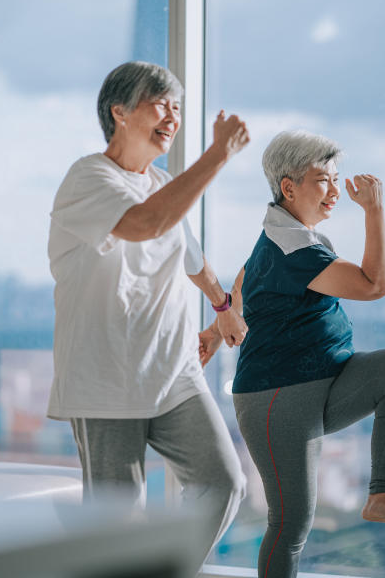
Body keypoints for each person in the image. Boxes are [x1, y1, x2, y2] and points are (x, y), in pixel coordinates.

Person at [199, 130, 385, 578]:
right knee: (290, 524)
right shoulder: (294, 248)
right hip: (277, 399)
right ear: (289, 188)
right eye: (323, 180)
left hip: (323, 381)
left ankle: (381, 494)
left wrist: (216, 327)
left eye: (336, 179)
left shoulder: (285, 234)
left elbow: (249, 274)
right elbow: (373, 284)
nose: (334, 191)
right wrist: (375, 210)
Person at [47, 61, 250, 568]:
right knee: (116, 528)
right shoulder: (87, 177)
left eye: (178, 107)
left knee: (224, 484)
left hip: (173, 373)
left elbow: (193, 258)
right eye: (161, 103)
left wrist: (222, 308)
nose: (173, 116)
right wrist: (219, 153)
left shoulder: (162, 183)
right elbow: (144, 224)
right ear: (120, 112)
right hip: (104, 380)